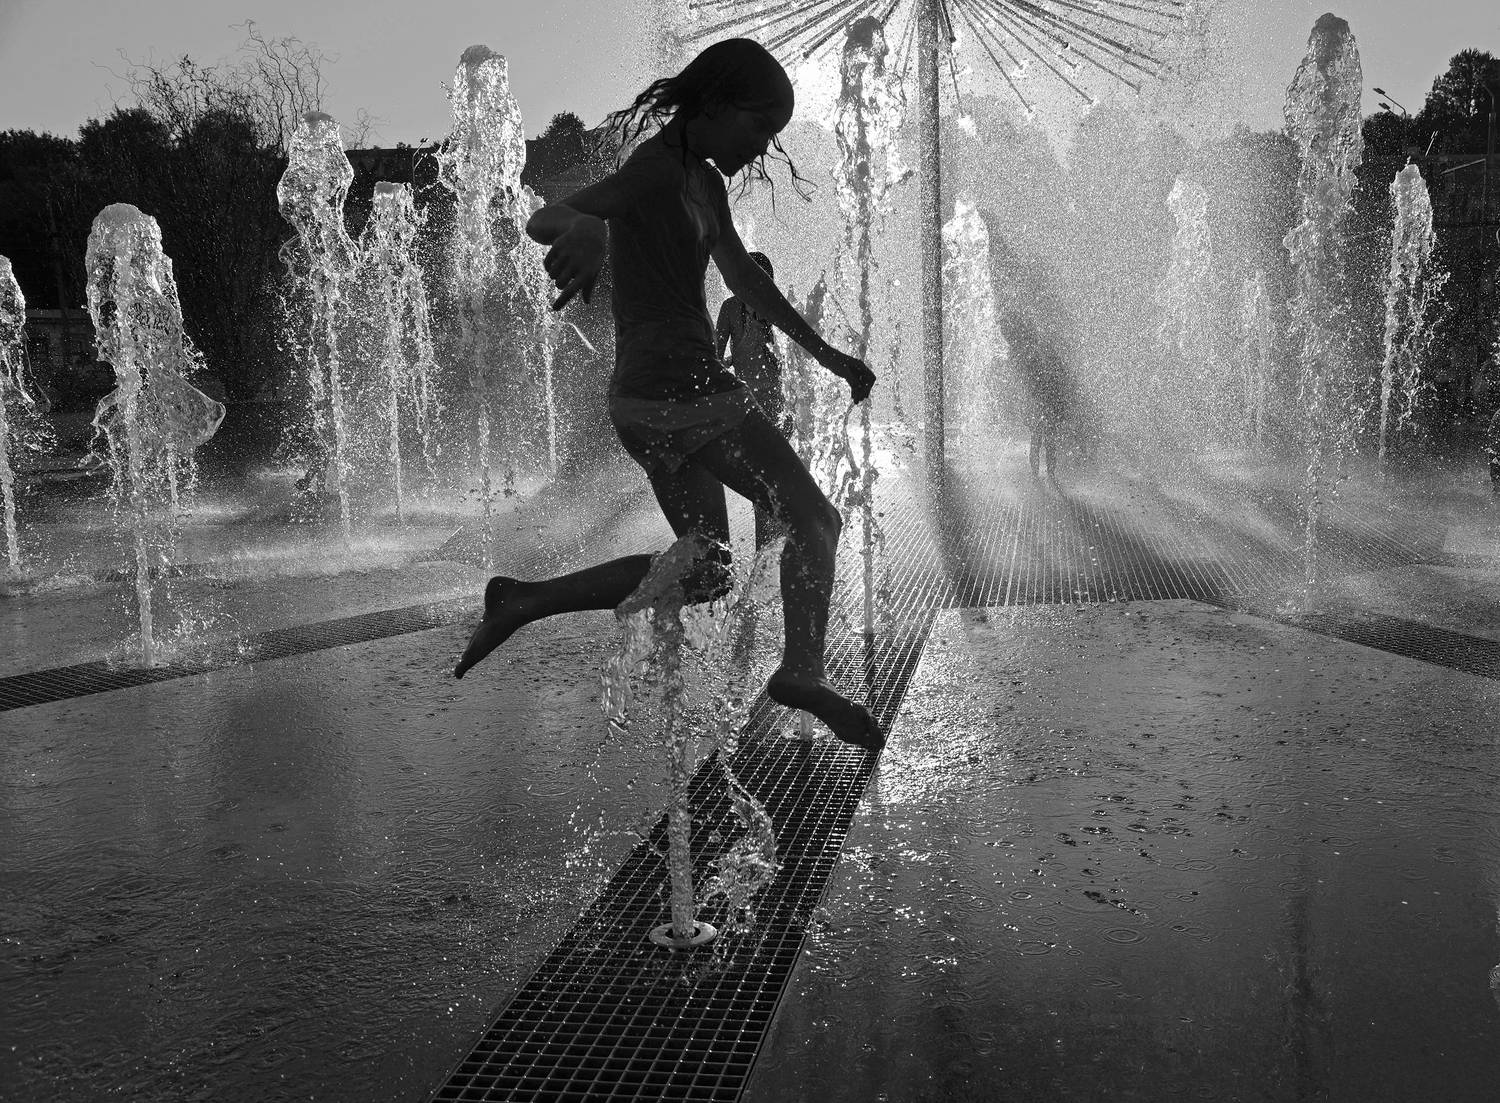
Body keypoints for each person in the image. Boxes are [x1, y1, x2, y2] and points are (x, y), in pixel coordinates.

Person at [453, 38, 883, 751]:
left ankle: (523, 599)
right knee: (814, 519)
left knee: (705, 567)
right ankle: (801, 673)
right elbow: (547, 217)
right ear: (713, 103)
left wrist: (829, 356)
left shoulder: (702, 184)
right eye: (758, 126)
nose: (763, 147)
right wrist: (587, 226)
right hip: (685, 390)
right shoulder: (654, 171)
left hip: (646, 402)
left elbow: (747, 283)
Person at [714, 250, 786, 548]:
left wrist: (733, 362)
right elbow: (784, 359)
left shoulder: (730, 308)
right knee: (775, 475)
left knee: (762, 477)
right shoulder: (771, 306)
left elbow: (714, 357)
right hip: (774, 401)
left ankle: (765, 548)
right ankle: (776, 546)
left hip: (751, 402)